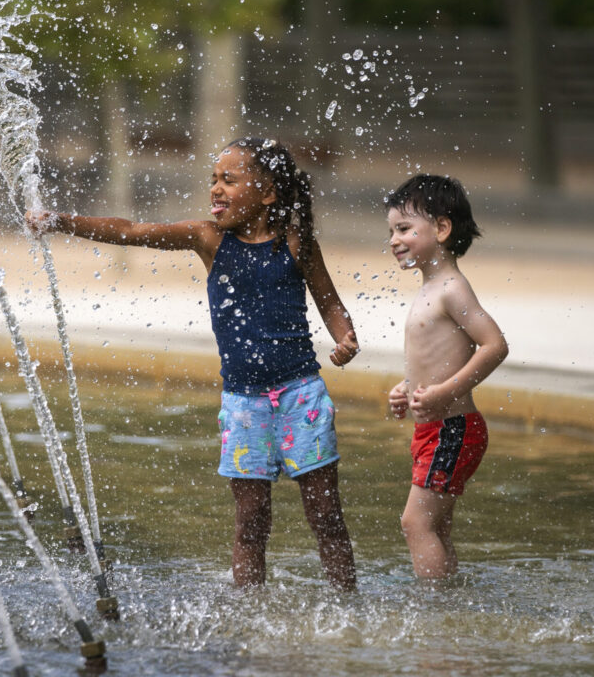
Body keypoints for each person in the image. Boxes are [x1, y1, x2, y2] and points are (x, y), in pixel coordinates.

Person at [28, 137, 359, 591]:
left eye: (230, 179)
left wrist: (345, 338)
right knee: (250, 521)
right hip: (243, 403)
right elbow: (130, 230)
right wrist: (61, 221)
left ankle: (347, 602)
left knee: (325, 515)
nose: (216, 189)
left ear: (267, 193)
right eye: (213, 180)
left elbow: (330, 304)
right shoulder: (208, 238)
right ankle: (249, 608)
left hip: (302, 394)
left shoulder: (297, 243)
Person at [384, 174, 508, 581]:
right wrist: (407, 389)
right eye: (391, 231)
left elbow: (494, 345)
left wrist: (442, 393)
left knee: (414, 524)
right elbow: (436, 358)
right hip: (437, 428)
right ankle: (450, 600)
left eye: (404, 229)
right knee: (436, 526)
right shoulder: (429, 288)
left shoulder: (452, 289)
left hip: (453, 428)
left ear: (441, 228)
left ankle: (434, 612)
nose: (394, 240)